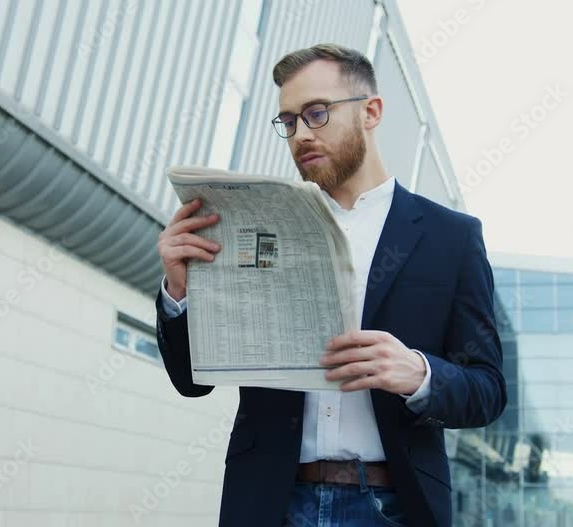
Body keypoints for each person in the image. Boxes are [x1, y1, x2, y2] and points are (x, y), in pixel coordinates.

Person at [155, 43, 507, 527]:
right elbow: (189, 382)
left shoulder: (452, 237)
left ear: (371, 111)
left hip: (394, 507)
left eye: (316, 113)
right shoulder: (252, 224)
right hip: (269, 502)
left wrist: (418, 373)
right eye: (289, 121)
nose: (301, 134)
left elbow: (487, 390)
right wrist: (179, 293)